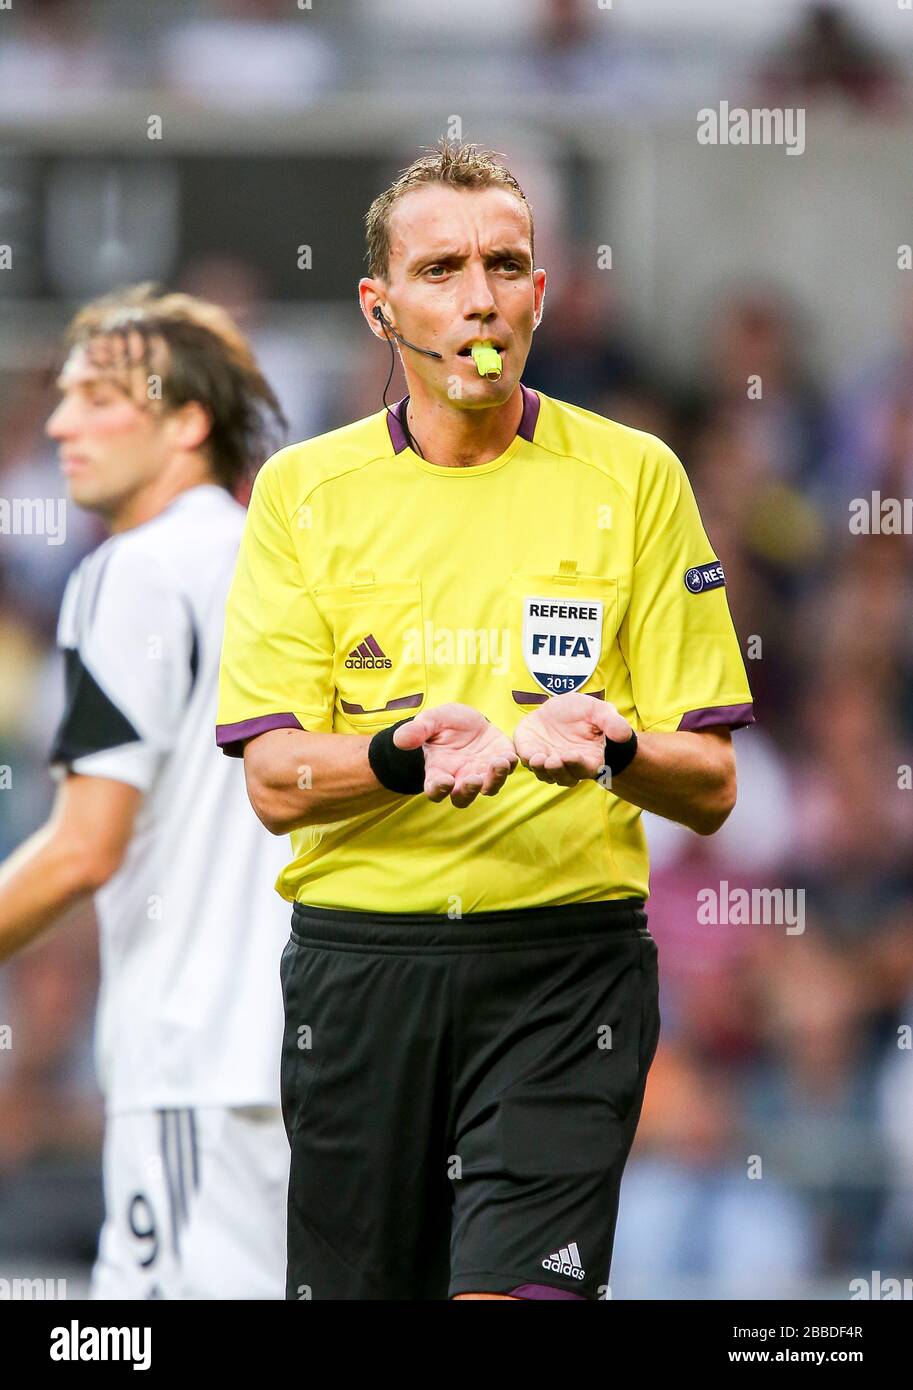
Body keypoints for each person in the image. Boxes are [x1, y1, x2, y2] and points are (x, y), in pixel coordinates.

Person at [216, 141, 755, 1301]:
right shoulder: (304, 493)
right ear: (379, 305)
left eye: (506, 265)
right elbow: (271, 782)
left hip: (565, 970)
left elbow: (708, 782)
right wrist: (390, 761)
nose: (478, 299)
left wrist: (614, 749)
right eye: (442, 268)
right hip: (363, 976)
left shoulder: (637, 477)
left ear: (541, 293)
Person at [0, 286, 292, 1299]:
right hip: (325, 1061)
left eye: (96, 396)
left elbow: (85, 846)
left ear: (186, 421)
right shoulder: (295, 566)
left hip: (196, 1061)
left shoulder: (131, 574)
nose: (59, 422)